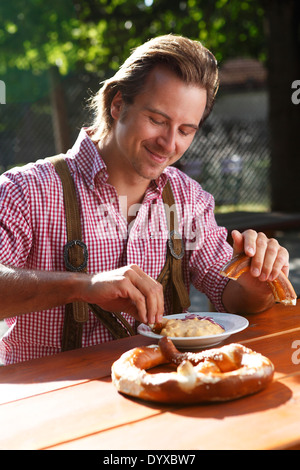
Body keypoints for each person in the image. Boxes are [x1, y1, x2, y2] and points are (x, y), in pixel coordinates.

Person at [0, 34, 289, 365]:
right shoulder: (26, 190)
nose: (168, 144)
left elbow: (231, 298)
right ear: (118, 104)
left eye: (185, 130)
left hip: (163, 391)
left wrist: (257, 285)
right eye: (157, 120)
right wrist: (84, 285)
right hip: (51, 401)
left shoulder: (188, 199)